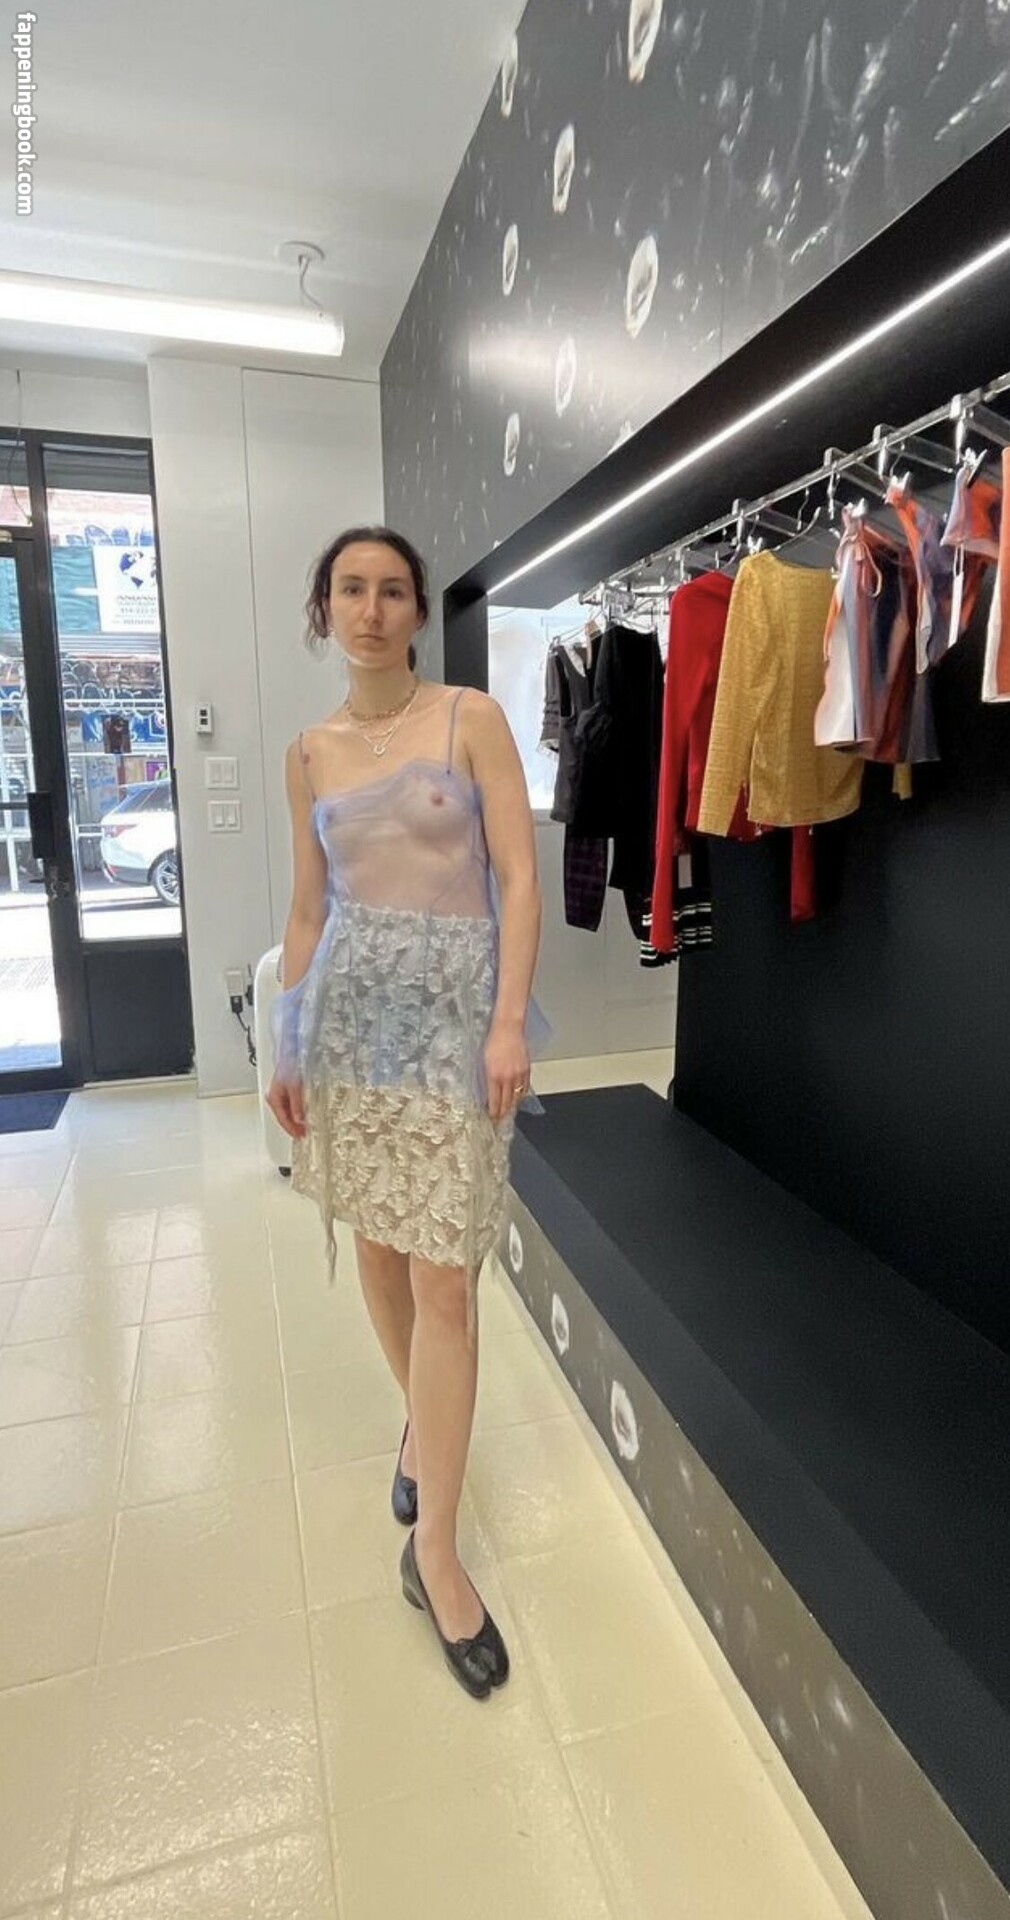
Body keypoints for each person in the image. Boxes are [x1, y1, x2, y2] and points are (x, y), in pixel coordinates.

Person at [267, 525, 545, 1701]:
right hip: (350, 1028)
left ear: (418, 611)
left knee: (445, 1277)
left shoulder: (467, 719)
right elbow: (306, 912)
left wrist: (508, 1020)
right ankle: (420, 1434)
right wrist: (287, 1039)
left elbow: (517, 878)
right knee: (381, 1251)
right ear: (323, 610)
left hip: (455, 1027)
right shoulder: (308, 754)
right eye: (350, 590)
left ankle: (432, 1550)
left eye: (391, 591)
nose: (371, 609)